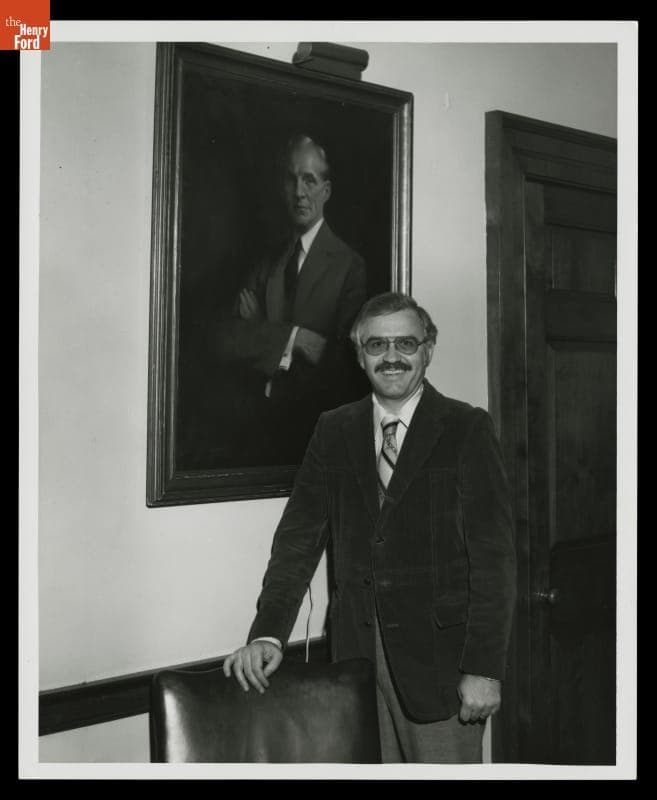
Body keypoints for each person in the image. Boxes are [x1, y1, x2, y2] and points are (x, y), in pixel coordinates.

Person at [223, 291, 517, 763]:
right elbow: (297, 542)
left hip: (441, 669)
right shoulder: (333, 430)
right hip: (356, 659)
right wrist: (268, 633)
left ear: (428, 349)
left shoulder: (467, 429)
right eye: (377, 345)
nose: (393, 357)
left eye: (406, 343)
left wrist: (484, 668)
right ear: (359, 355)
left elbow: (494, 561)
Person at [209, 134, 368, 464]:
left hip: (311, 437)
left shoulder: (349, 266)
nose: (299, 192)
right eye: (291, 179)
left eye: (309, 180)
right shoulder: (267, 261)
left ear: (326, 191)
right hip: (255, 436)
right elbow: (222, 339)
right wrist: (294, 338)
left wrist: (259, 329)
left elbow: (342, 365)